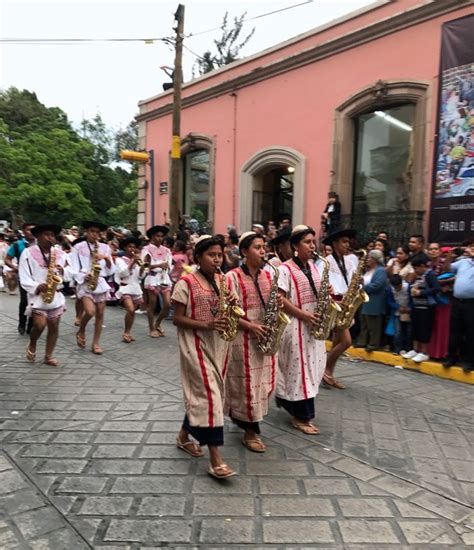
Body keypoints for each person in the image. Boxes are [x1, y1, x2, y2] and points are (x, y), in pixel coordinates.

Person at [172, 235, 237, 478]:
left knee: (207, 395)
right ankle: (216, 459)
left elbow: (229, 311)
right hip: (194, 343)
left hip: (219, 345)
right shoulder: (186, 282)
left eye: (219, 254)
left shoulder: (223, 280)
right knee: (211, 398)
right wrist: (207, 324)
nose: (217, 259)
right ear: (198, 257)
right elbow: (177, 319)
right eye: (211, 255)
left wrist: (230, 304)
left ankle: (183, 435)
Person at [225, 231, 276, 453]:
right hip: (242, 339)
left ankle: (245, 422)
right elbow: (228, 311)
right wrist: (251, 326)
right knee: (246, 387)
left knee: (263, 384)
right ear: (244, 252)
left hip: (264, 338)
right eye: (257, 247)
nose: (262, 251)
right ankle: (250, 432)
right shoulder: (232, 277)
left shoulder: (268, 275)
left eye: (263, 247)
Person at [276, 225, 326, 435]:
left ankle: (288, 402)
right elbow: (280, 299)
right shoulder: (285, 269)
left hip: (313, 325)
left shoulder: (315, 266)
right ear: (296, 246)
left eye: (313, 242)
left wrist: (327, 291)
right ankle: (301, 416)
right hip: (295, 325)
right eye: (307, 242)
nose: (312, 246)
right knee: (300, 370)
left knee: (312, 368)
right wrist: (303, 314)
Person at [18, 224, 67, 366]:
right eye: (46, 235)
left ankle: (48, 356)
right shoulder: (27, 252)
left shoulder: (59, 253)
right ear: (37, 236)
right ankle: (33, 342)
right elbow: (24, 274)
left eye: (52, 235)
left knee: (54, 326)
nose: (50, 238)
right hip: (38, 295)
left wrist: (62, 270)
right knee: (39, 325)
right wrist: (36, 286)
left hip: (55, 294)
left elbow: (71, 271)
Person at [70, 221, 115, 355]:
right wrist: (83, 276)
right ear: (86, 232)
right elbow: (74, 267)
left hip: (100, 281)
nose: (95, 234)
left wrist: (106, 258)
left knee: (100, 314)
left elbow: (111, 269)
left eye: (97, 232)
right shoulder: (78, 247)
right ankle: (81, 330)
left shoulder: (105, 247)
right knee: (90, 312)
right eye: (92, 231)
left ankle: (96, 343)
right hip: (85, 282)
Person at [323, 228, 358, 389]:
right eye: (344, 241)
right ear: (335, 243)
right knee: (346, 341)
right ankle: (324, 370)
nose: (347, 244)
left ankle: (329, 372)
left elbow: (350, 282)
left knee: (337, 341)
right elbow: (323, 286)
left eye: (348, 241)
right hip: (334, 304)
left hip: (345, 303)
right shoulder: (326, 262)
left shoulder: (349, 261)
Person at [402, 254, 440, 363]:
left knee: (424, 330)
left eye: (416, 268)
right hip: (416, 306)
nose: (415, 270)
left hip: (426, 307)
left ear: (423, 266)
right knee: (415, 329)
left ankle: (424, 352)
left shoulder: (429, 275)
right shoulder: (417, 276)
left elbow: (436, 288)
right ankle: (415, 349)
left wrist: (421, 292)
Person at [443, 239, 474, 371]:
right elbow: (448, 269)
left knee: (471, 333)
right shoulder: (463, 262)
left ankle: (469, 361)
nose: (470, 249)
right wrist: (449, 258)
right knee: (455, 331)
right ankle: (451, 357)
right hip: (457, 302)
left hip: (471, 303)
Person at [141, 225, 173, 337]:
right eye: (157, 236)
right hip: (152, 278)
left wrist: (167, 267)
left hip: (164, 278)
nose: (160, 238)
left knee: (168, 304)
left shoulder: (167, 250)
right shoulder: (146, 250)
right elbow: (145, 266)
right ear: (152, 237)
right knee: (152, 305)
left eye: (161, 236)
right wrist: (159, 264)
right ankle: (151, 328)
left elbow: (170, 265)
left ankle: (158, 323)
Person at [5, 223, 36, 334]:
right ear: (24, 231)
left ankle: (31, 325)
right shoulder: (18, 244)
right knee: (24, 300)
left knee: (36, 301)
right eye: (28, 230)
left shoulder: (40, 244)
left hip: (37, 277)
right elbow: (7, 259)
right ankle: (22, 323)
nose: (31, 232)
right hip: (23, 277)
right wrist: (16, 267)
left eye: (33, 230)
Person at [354, 250, 387, 351]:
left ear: (375, 259)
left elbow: (377, 285)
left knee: (374, 324)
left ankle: (373, 343)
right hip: (364, 301)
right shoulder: (368, 271)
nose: (367, 260)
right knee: (364, 322)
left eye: (369, 258)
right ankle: (362, 341)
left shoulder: (381, 270)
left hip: (374, 301)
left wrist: (363, 288)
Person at [114, 237, 145, 343]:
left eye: (134, 247)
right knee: (130, 309)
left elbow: (141, 277)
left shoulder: (138, 260)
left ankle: (128, 332)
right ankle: (126, 333)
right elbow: (123, 273)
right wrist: (132, 263)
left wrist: (141, 269)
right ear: (125, 248)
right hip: (125, 287)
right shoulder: (120, 260)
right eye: (129, 246)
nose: (132, 249)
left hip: (135, 288)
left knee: (132, 312)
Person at [388, 274, 412, 355]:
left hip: (408, 312)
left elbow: (412, 299)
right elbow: (390, 301)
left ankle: (407, 349)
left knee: (408, 332)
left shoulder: (408, 287)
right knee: (398, 332)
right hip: (398, 312)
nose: (398, 288)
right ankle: (397, 349)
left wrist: (409, 307)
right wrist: (397, 307)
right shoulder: (390, 289)